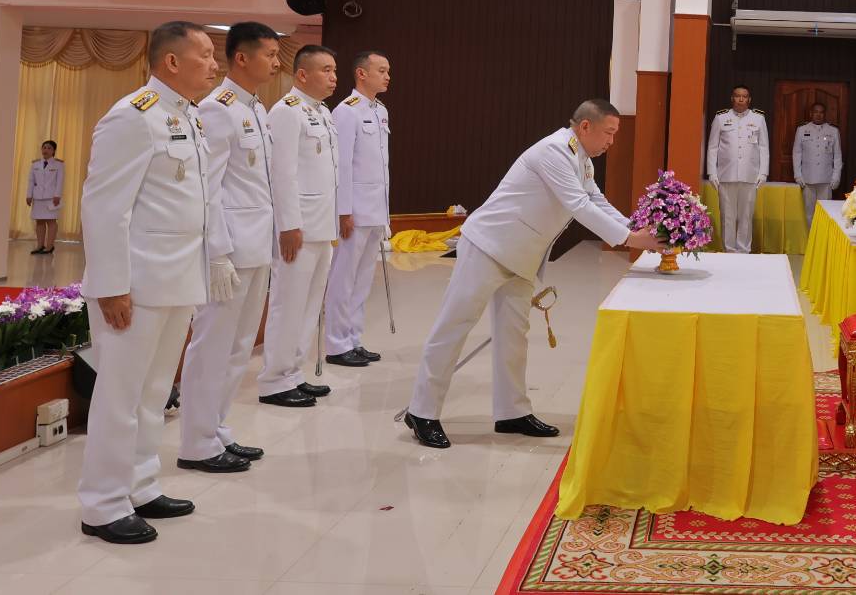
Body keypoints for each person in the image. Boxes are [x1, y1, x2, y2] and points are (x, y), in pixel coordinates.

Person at [403, 99, 659, 449]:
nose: (611, 142)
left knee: (514, 335)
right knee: (454, 325)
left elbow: (595, 201)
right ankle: (422, 411)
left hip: (521, 255)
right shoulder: (554, 151)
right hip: (488, 246)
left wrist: (636, 227)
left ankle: (512, 411)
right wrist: (631, 239)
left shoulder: (582, 159)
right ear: (585, 126)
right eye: (609, 133)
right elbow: (578, 206)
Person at [76, 22, 216, 544]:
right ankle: (103, 503)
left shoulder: (187, 116)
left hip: (176, 279)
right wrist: (112, 285)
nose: (215, 64)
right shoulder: (132, 116)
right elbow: (104, 206)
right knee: (120, 396)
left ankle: (139, 485)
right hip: (134, 285)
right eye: (205, 54)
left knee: (153, 394)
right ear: (171, 61)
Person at [176, 22, 280, 473]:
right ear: (242, 57)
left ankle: (216, 429)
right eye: (269, 54)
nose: (276, 62)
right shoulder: (217, 109)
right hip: (231, 250)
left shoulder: (254, 108)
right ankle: (196, 442)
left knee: (239, 348)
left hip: (256, 246)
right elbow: (210, 187)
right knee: (212, 346)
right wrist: (217, 252)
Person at [258, 45, 340, 407]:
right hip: (299, 229)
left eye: (335, 70)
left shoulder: (322, 112)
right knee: (288, 304)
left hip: (322, 225)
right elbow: (283, 173)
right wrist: (288, 225)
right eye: (326, 70)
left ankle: (292, 372)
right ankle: (273, 380)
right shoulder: (286, 112)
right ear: (302, 74)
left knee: (309, 306)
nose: (333, 77)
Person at [324, 51, 392, 368]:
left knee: (363, 280)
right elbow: (343, 165)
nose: (388, 76)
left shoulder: (380, 111)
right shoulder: (346, 111)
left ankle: (353, 338)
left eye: (388, 71)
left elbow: (381, 166)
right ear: (362, 74)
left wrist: (385, 212)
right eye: (382, 70)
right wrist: (343, 211)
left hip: (375, 209)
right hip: (354, 211)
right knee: (343, 278)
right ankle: (336, 344)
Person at [705, 86, 768, 253]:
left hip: (750, 175)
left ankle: (744, 250)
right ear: (732, 98)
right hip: (726, 175)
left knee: (746, 215)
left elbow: (763, 147)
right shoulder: (721, 118)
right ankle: (729, 250)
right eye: (737, 96)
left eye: (744, 96)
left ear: (749, 99)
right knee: (727, 215)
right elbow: (712, 147)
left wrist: (763, 172)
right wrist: (712, 172)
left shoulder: (758, 119)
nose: (741, 99)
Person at [792, 103, 842, 227]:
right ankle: (809, 237)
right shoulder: (802, 130)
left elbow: (837, 156)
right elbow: (797, 153)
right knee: (808, 213)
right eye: (815, 112)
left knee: (825, 212)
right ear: (811, 113)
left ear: (825, 114)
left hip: (826, 180)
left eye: (821, 112)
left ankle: (822, 237)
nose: (818, 115)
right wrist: (798, 175)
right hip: (807, 179)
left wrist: (836, 177)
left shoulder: (833, 131)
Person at [27, 139, 65, 255]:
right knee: (39, 222)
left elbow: (60, 181)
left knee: (51, 221)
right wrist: (29, 195)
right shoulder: (35, 164)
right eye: (44, 147)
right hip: (38, 197)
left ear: (53, 151)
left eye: (49, 148)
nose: (46, 150)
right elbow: (31, 181)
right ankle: (40, 245)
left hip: (51, 198)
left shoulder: (59, 164)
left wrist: (57, 195)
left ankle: (49, 246)